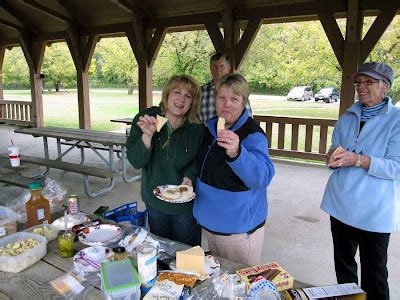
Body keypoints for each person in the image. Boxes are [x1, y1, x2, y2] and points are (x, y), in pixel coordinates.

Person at [321, 62, 399, 300]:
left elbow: (396, 167)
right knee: (344, 271)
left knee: (374, 275)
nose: (361, 87)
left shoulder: (396, 121)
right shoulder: (347, 117)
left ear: (385, 87)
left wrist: (358, 160)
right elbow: (336, 149)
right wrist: (333, 156)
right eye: (359, 82)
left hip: (373, 212)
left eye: (369, 82)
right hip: (341, 205)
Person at [194, 73, 275, 265]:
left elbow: (262, 178)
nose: (227, 104)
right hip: (209, 224)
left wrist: (237, 153)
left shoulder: (252, 134)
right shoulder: (210, 127)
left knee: (239, 284)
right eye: (221, 97)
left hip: (238, 230)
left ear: (243, 102)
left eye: (234, 99)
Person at [126, 75, 204, 246]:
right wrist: (147, 135)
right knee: (160, 251)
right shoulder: (148, 118)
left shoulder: (196, 128)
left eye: (188, 96)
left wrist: (190, 175)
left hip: (185, 205)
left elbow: (199, 160)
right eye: (177, 92)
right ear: (167, 94)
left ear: (193, 102)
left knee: (186, 253)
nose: (181, 99)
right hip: (155, 201)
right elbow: (136, 161)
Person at [200, 53, 252, 124]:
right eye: (215, 66)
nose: (218, 70)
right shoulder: (201, 91)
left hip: (234, 134)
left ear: (228, 69)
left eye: (222, 66)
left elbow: (248, 118)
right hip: (206, 134)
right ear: (210, 68)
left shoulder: (238, 90)